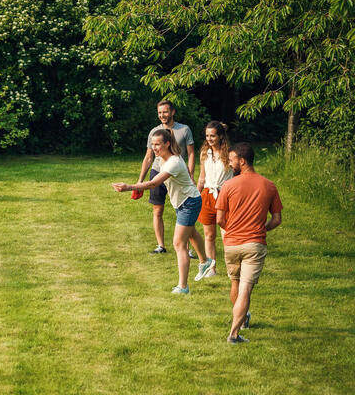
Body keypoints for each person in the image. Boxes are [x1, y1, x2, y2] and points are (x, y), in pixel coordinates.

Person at [114, 128, 212, 293]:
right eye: (152, 144)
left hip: (189, 202)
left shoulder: (173, 162)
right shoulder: (163, 160)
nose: (154, 148)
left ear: (167, 143)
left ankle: (183, 286)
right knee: (191, 232)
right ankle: (205, 262)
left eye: (158, 144)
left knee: (179, 243)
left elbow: (153, 183)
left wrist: (129, 187)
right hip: (183, 202)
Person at [215, 142, 283, 343]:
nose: (229, 163)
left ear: (242, 161)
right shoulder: (269, 185)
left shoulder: (228, 185)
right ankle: (234, 334)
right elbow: (277, 219)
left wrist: (233, 230)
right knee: (245, 287)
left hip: (231, 244)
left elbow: (219, 219)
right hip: (254, 244)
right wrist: (262, 229)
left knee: (235, 283)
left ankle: (243, 319)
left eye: (231, 160)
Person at [136, 100, 197, 256]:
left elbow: (190, 154)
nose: (162, 115)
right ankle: (161, 246)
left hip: (176, 173)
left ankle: (188, 248)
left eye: (165, 112)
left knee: (182, 209)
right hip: (158, 172)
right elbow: (148, 157)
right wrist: (140, 180)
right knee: (158, 210)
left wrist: (190, 174)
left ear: (173, 112)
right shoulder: (154, 132)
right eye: (159, 112)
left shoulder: (184, 129)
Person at [195, 121, 234, 280]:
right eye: (207, 136)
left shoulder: (230, 154)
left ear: (221, 136)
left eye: (212, 136)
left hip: (224, 195)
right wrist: (195, 195)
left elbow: (237, 176)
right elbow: (202, 177)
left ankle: (232, 268)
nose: (209, 139)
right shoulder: (205, 152)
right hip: (207, 195)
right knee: (209, 235)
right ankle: (212, 267)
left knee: (227, 234)